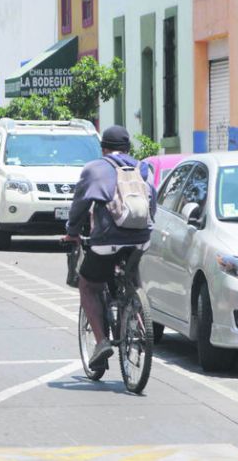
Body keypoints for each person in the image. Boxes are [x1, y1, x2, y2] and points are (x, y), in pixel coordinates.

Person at [62, 125, 157, 370]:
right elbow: (152, 199)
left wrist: (72, 232)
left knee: (88, 286)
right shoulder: (142, 168)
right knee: (131, 275)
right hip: (141, 238)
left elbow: (80, 205)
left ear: (103, 148)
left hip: (107, 240)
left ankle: (102, 341)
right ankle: (135, 311)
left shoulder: (95, 169)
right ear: (127, 149)